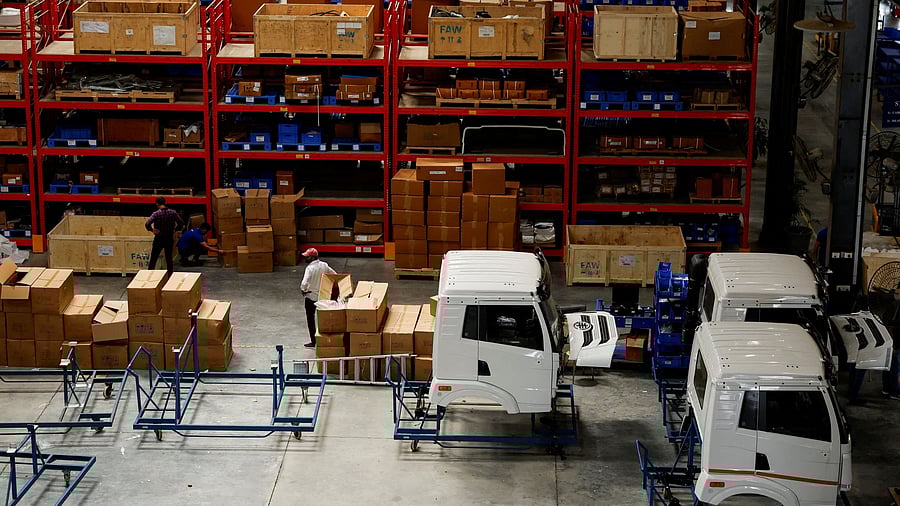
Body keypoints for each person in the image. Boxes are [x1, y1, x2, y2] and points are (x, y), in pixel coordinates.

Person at [299, 248, 335, 348]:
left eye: (307, 256)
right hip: (323, 296)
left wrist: (303, 290)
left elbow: (304, 283)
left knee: (310, 319)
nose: (305, 258)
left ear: (313, 257)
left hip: (310, 297)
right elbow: (334, 275)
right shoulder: (324, 265)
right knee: (323, 319)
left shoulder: (309, 269)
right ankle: (326, 339)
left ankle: (314, 341)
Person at [146, 197, 184, 276]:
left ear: (157, 204)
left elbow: (147, 224)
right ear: (165, 202)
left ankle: (149, 275)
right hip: (169, 237)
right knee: (169, 258)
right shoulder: (173, 212)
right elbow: (181, 222)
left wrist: (152, 230)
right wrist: (175, 230)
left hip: (159, 237)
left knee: (154, 257)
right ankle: (170, 276)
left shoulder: (156, 214)